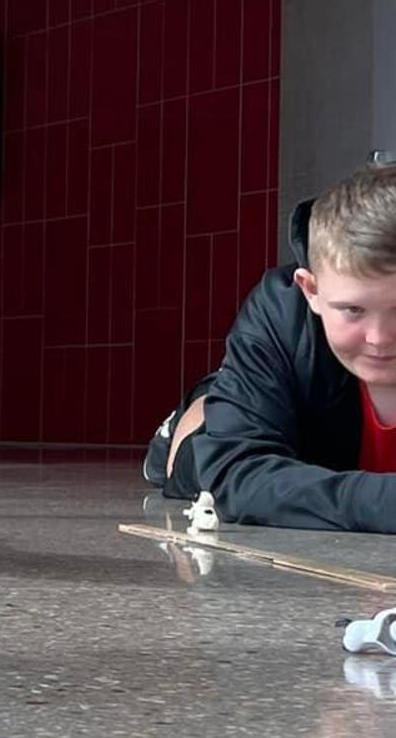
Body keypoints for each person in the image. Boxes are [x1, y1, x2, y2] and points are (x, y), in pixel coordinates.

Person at [145, 162, 396, 532]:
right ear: (311, 290)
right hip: (289, 427)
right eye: (353, 310)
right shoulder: (282, 311)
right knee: (194, 461)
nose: (380, 337)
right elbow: (234, 472)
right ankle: (203, 402)